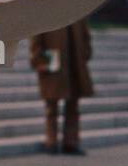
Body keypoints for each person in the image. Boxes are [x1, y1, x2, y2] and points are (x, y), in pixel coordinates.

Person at [29, 18, 94, 154]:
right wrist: (39, 60)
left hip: (74, 64)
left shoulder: (78, 15)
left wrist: (84, 55)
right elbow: (37, 40)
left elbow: (86, 38)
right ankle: (51, 141)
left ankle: (70, 142)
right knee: (52, 106)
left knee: (73, 106)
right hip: (53, 62)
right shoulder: (48, 14)